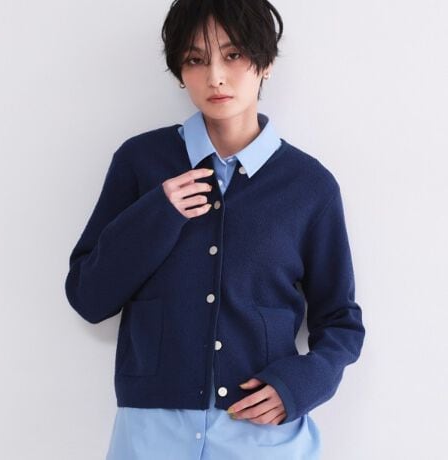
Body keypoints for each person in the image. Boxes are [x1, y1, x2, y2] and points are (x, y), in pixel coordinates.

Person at [64, 1, 366, 459]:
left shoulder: (309, 186)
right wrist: (159, 213)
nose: (216, 77)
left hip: (263, 438)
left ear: (266, 63)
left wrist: (298, 386)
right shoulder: (141, 163)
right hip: (151, 437)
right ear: (180, 72)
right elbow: (88, 297)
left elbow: (341, 320)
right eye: (195, 59)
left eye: (234, 55)